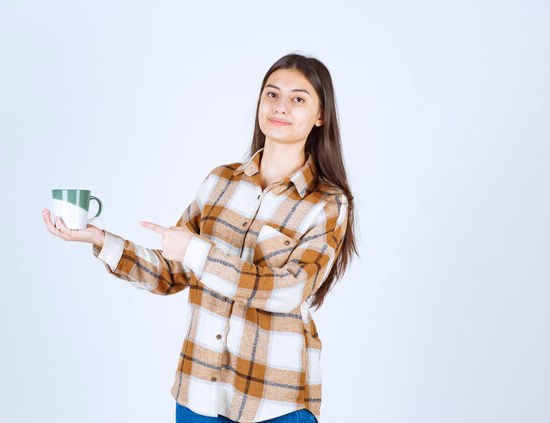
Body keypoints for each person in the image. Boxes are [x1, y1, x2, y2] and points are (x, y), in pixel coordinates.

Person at [42, 52, 357, 423]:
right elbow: (171, 273)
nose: (281, 106)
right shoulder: (219, 182)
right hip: (199, 395)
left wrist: (198, 252)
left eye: (298, 98)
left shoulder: (327, 203)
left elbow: (288, 291)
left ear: (320, 116)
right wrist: (99, 240)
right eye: (271, 94)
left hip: (275, 402)